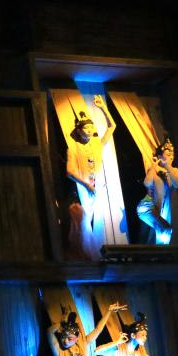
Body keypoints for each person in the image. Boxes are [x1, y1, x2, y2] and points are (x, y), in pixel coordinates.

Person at [66, 95, 117, 260]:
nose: (89, 130)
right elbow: (70, 171)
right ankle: (86, 254)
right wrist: (86, 185)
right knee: (84, 222)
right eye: (86, 128)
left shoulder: (96, 144)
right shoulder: (74, 148)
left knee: (99, 222)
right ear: (79, 131)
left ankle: (97, 252)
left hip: (98, 187)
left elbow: (112, 126)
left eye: (91, 127)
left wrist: (102, 107)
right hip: (84, 189)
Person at [136, 139, 178, 244]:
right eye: (168, 153)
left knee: (161, 235)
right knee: (165, 230)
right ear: (160, 156)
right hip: (147, 206)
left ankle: (158, 251)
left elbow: (177, 184)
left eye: (172, 154)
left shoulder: (175, 171)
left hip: (161, 207)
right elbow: (147, 183)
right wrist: (153, 167)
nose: (171, 155)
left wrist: (167, 165)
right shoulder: (155, 170)